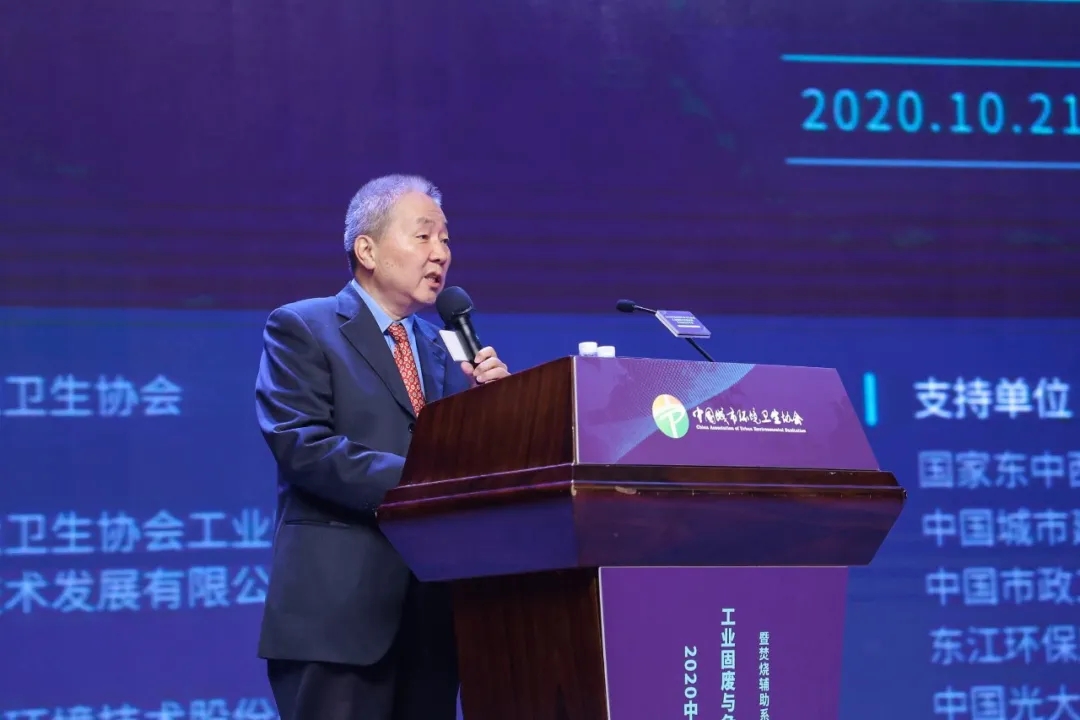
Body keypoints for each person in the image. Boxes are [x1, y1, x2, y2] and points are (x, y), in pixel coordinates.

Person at [254, 174, 510, 720]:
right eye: (424, 236)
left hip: (432, 616)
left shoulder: (443, 349)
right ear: (367, 250)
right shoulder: (303, 326)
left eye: (446, 239)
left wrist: (496, 407)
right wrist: (424, 483)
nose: (441, 253)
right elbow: (302, 445)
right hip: (338, 618)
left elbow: (467, 462)